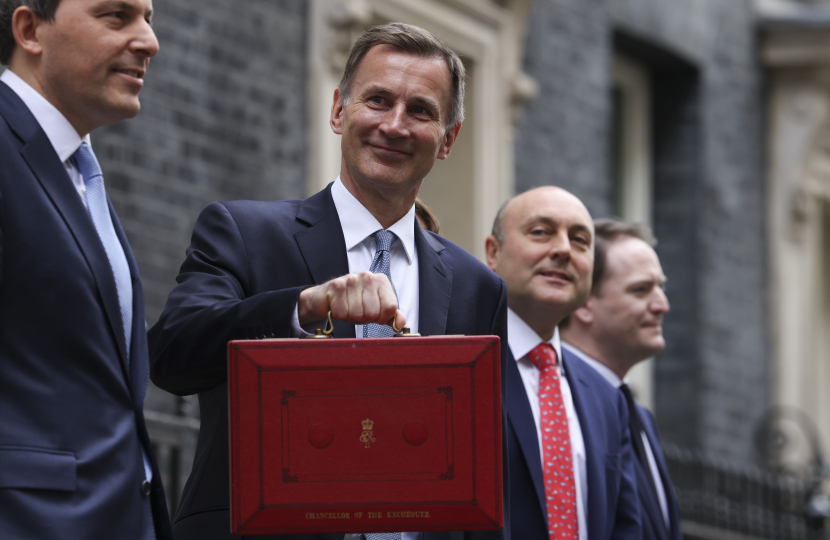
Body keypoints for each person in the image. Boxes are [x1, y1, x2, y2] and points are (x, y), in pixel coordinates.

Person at [148, 22, 509, 540]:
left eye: (421, 111)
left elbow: (480, 465)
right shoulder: (244, 232)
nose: (395, 125)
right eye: (378, 100)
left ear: (448, 139)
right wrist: (302, 307)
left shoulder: (479, 286)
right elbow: (170, 356)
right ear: (339, 110)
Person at [0, 0, 172, 538]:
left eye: (149, 18)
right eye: (116, 16)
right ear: (30, 30)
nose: (148, 41)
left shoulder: (75, 169)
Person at [485, 187, 641, 540]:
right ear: (493, 252)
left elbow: (624, 527)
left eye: (580, 240)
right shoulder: (462, 370)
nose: (563, 250)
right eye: (540, 232)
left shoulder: (607, 397)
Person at [559, 219, 681, 540]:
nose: (662, 305)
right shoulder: (555, 408)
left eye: (661, 287)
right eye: (641, 290)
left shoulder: (640, 418)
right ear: (584, 301)